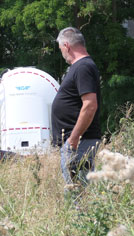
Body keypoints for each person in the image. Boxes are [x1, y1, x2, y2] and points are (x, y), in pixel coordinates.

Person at [51, 27, 101, 188]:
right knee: (77, 190)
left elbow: (90, 104)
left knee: (77, 193)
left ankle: (80, 214)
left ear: (67, 46)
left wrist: (73, 138)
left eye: (61, 49)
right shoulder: (80, 67)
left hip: (79, 142)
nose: (62, 54)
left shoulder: (83, 67)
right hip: (77, 142)